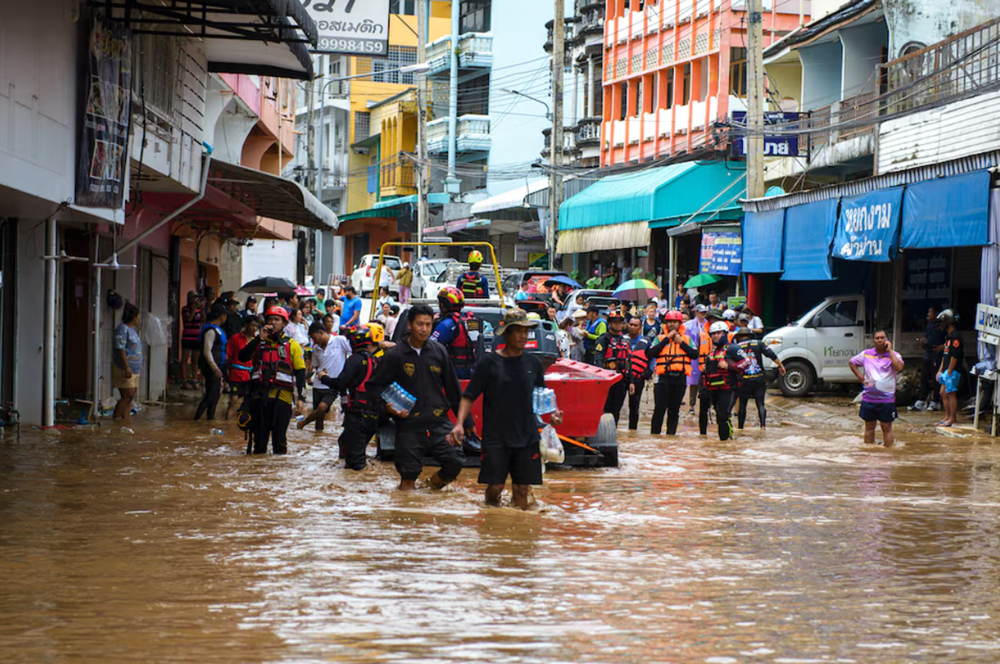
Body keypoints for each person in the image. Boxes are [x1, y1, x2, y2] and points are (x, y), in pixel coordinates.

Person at [450, 309, 564, 509]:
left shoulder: (533, 364)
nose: (523, 336)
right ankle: (492, 523)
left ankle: (518, 536)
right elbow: (468, 396)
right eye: (517, 331)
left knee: (521, 490)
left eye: (525, 331)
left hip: (527, 436)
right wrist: (459, 424)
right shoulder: (489, 363)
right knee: (495, 487)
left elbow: (543, 396)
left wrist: (553, 415)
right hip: (496, 437)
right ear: (506, 333)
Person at [368, 305, 466, 491]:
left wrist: (465, 423)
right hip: (409, 425)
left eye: (428, 325)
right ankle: (409, 510)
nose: (424, 329)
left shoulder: (439, 352)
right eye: (420, 324)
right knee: (408, 475)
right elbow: (374, 387)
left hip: (439, 422)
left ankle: (432, 488)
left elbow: (454, 390)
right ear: (409, 326)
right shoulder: (395, 355)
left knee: (455, 460)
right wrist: (387, 407)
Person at [237, 306, 307, 455]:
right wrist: (258, 338)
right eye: (270, 320)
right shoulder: (259, 343)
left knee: (279, 442)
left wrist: (301, 398)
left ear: (284, 324)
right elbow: (242, 357)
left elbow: (300, 374)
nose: (273, 323)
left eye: (277, 320)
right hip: (259, 399)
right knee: (259, 444)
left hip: (282, 399)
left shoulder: (292, 345)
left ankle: (278, 475)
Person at [645, 310, 698, 435]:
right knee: (659, 409)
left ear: (680, 323)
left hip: (679, 378)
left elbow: (694, 354)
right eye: (669, 322)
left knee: (674, 410)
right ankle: (655, 436)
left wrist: (681, 342)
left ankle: (671, 436)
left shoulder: (686, 339)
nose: (672, 324)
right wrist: (666, 340)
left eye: (675, 322)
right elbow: (651, 353)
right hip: (663, 378)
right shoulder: (660, 338)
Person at [849, 330, 905, 446]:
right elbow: (852, 362)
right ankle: (869, 453)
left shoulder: (895, 355)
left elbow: (899, 367)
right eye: (877, 338)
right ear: (873, 341)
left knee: (887, 427)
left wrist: (889, 350)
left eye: (882, 338)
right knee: (869, 427)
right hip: (869, 399)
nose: (880, 340)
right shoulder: (866, 354)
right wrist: (860, 376)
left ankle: (889, 454)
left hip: (887, 400)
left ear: (887, 340)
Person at [699, 320, 750, 440]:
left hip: (729, 388)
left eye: (719, 333)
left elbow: (747, 362)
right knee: (720, 416)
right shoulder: (712, 352)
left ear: (725, 333)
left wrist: (729, 366)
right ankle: (723, 444)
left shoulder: (732, 348)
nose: (716, 336)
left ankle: (726, 441)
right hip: (714, 388)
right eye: (713, 334)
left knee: (723, 414)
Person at [298, 321, 352, 432]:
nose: (314, 341)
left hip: (332, 385)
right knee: (319, 418)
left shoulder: (339, 340)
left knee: (322, 408)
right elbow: (316, 366)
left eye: (314, 337)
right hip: (318, 385)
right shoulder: (316, 349)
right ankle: (317, 441)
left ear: (321, 332)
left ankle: (303, 423)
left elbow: (354, 350)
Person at [734, 326, 785, 430]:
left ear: (739, 337)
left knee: (743, 405)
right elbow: (771, 354)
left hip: (744, 380)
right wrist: (781, 365)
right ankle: (763, 427)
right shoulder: (758, 343)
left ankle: (740, 428)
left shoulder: (736, 347)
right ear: (750, 336)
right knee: (760, 404)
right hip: (759, 378)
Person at [593, 311, 631, 424]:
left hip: (621, 379)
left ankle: (614, 431)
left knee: (617, 409)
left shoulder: (624, 340)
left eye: (620, 323)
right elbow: (598, 360)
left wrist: (631, 381)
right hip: (607, 381)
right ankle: (604, 432)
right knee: (605, 408)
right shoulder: (603, 339)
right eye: (615, 323)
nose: (618, 325)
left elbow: (629, 361)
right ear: (609, 323)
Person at [431, 287, 476, 380]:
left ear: (444, 304)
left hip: (452, 371)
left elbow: (430, 346)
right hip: (470, 370)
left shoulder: (446, 324)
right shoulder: (470, 320)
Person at [194, 304, 228, 422]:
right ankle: (196, 419)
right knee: (210, 395)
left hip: (217, 366)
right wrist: (214, 368)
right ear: (222, 316)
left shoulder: (215, 329)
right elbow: (206, 351)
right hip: (211, 367)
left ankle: (210, 419)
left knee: (215, 396)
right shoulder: (210, 331)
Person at [112, 303, 143, 423]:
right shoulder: (122, 329)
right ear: (134, 317)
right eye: (138, 316)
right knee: (127, 396)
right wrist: (126, 367)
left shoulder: (132, 331)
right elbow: (120, 349)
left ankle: (125, 422)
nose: (138, 319)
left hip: (135, 369)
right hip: (125, 368)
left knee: (130, 398)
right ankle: (115, 420)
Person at [226, 316, 259, 421]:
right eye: (252, 325)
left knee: (248, 403)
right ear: (246, 325)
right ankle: (227, 424)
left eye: (256, 326)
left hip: (251, 376)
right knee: (233, 401)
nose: (254, 328)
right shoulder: (235, 338)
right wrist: (226, 371)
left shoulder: (257, 341)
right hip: (236, 375)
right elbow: (228, 355)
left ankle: (242, 426)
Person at [915, 305, 945, 412]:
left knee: (935, 379)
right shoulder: (929, 325)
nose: (928, 314)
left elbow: (948, 340)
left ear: (936, 313)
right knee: (924, 378)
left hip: (937, 356)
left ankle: (935, 402)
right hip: (928, 354)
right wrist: (924, 342)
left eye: (930, 312)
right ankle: (921, 401)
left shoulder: (942, 325)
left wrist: (943, 346)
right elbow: (928, 337)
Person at [937, 309, 963, 427]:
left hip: (953, 370)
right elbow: (945, 355)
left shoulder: (956, 336)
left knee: (950, 393)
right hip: (947, 369)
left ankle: (952, 418)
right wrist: (941, 370)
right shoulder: (948, 337)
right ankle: (947, 416)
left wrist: (950, 370)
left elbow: (955, 356)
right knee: (943, 392)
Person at [625, 317, 652, 431]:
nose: (632, 327)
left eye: (635, 325)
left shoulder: (646, 342)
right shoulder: (622, 339)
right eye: (631, 324)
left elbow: (652, 358)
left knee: (634, 406)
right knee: (616, 406)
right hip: (623, 377)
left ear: (640, 328)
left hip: (638, 377)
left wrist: (648, 372)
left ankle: (632, 430)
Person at [685, 305, 709, 415]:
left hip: (706, 355)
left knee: (707, 381)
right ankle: (691, 405)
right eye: (701, 312)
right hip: (694, 357)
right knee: (693, 382)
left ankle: (706, 406)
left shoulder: (708, 324)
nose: (702, 314)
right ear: (696, 312)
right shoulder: (689, 325)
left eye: (704, 312)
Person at [180, 291, 204, 390]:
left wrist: (201, 309)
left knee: (195, 360)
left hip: (196, 337)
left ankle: (194, 379)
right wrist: (194, 309)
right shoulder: (185, 309)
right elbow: (188, 319)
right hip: (187, 337)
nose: (195, 300)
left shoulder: (198, 310)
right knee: (184, 360)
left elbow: (204, 319)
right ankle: (184, 381)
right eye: (193, 298)